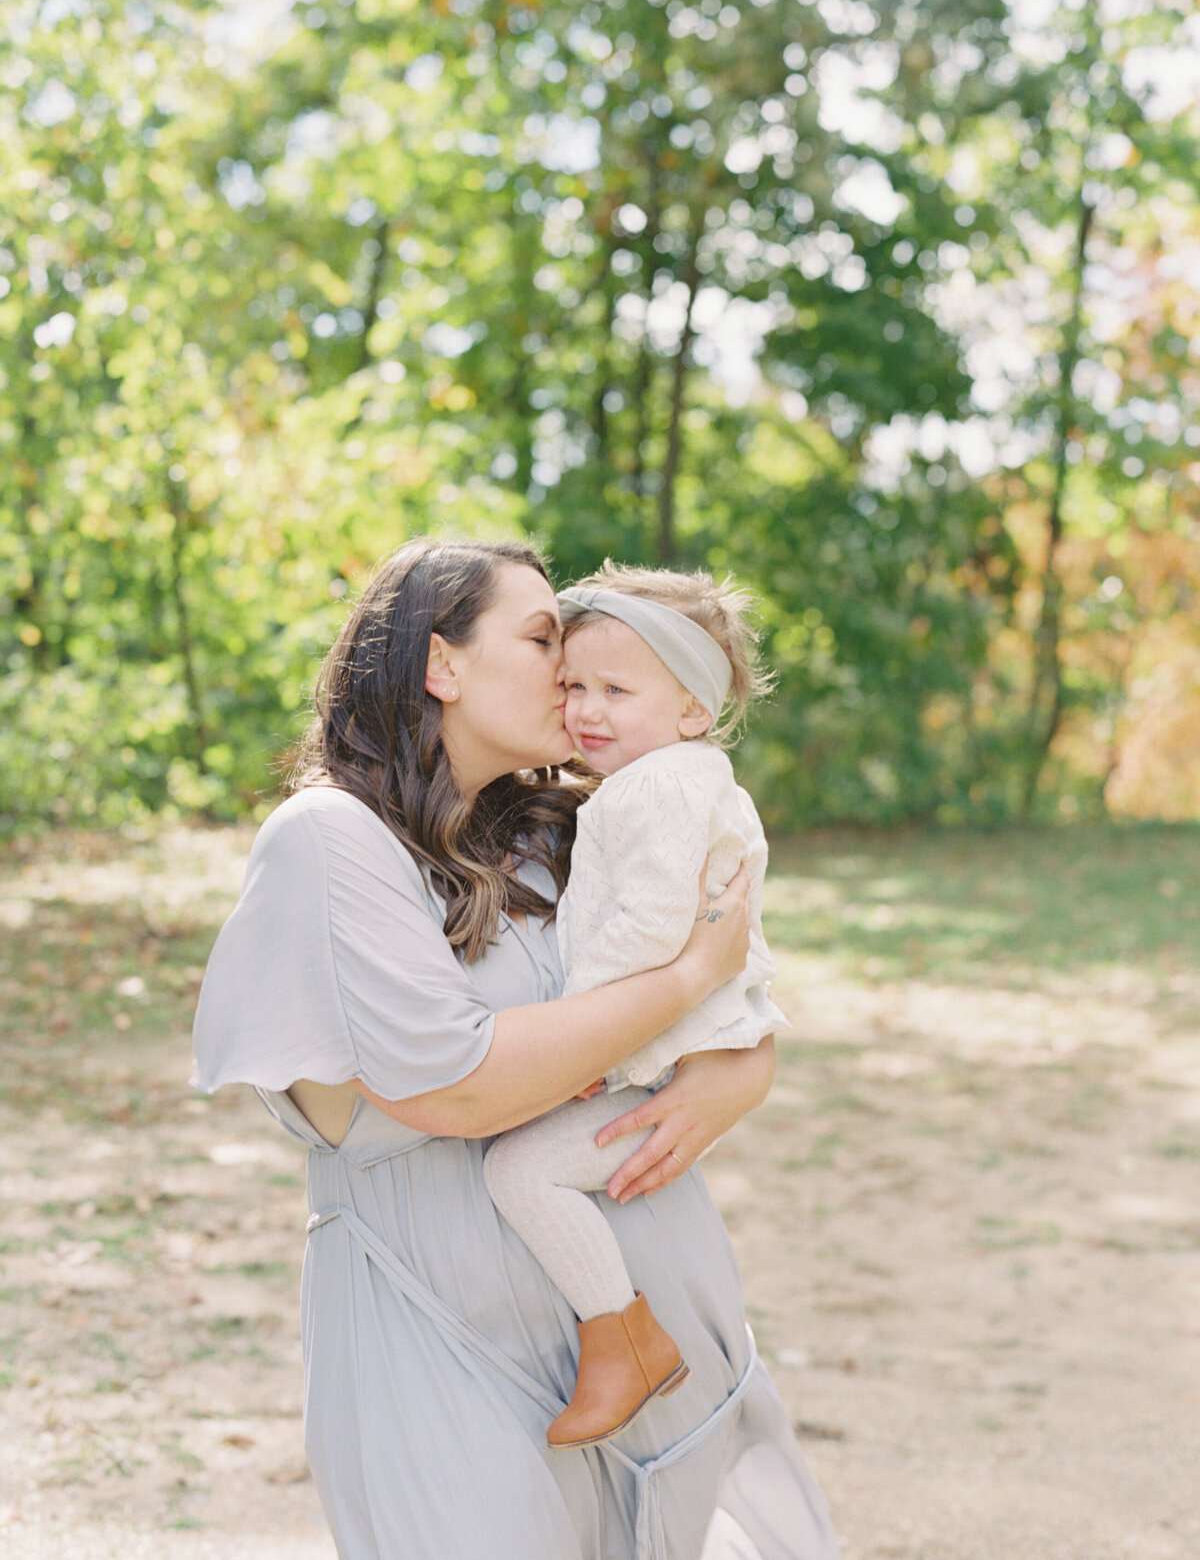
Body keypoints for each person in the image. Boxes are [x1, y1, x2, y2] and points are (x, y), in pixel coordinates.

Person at [191, 539, 841, 1560]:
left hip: (654, 1323)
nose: (570, 666)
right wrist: (679, 986)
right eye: (544, 639)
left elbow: (729, 969)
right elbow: (459, 1084)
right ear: (442, 665)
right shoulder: (330, 839)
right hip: (446, 1336)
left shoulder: (562, 824)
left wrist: (743, 1069)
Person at [483, 564, 790, 1452]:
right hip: (663, 1043)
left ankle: (623, 1339)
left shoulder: (662, 784)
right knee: (529, 1172)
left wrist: (582, 1046)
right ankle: (622, 1338)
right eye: (575, 684)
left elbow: (653, 929)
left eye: (617, 689)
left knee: (520, 1172)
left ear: (693, 708)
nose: (586, 708)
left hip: (650, 1048)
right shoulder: (669, 778)